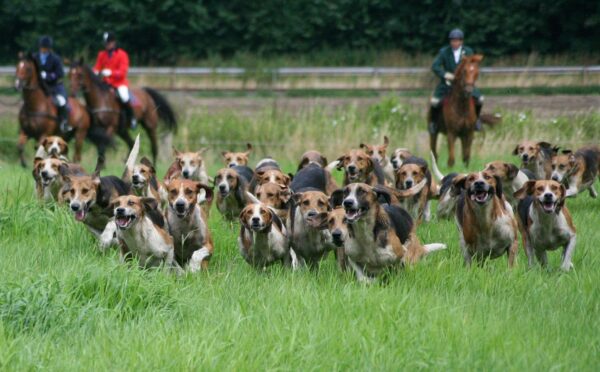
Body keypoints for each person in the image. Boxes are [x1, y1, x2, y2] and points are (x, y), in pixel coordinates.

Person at [429, 28, 484, 134]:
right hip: (447, 84)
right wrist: (445, 74)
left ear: (461, 41)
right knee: (434, 102)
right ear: (450, 41)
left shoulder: (468, 51)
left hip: (465, 84)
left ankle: (476, 120)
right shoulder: (444, 52)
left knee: (480, 99)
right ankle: (433, 123)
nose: (455, 43)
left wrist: (470, 78)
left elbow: (473, 66)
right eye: (453, 40)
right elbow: (435, 66)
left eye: (457, 40)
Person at [93, 32, 136, 128]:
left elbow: (123, 72)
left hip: (119, 83)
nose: (106, 45)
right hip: (105, 83)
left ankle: (132, 118)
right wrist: (95, 72)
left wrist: (111, 72)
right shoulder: (101, 54)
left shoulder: (122, 54)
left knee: (124, 97)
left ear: (113, 43)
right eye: (105, 43)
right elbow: (97, 67)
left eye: (108, 43)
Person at [34, 36, 70, 132]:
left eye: (45, 48)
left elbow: (60, 74)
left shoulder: (55, 58)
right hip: (40, 86)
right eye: (41, 47)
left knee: (62, 101)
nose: (43, 49)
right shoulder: (35, 57)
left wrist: (48, 76)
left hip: (54, 86)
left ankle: (64, 123)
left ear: (49, 48)